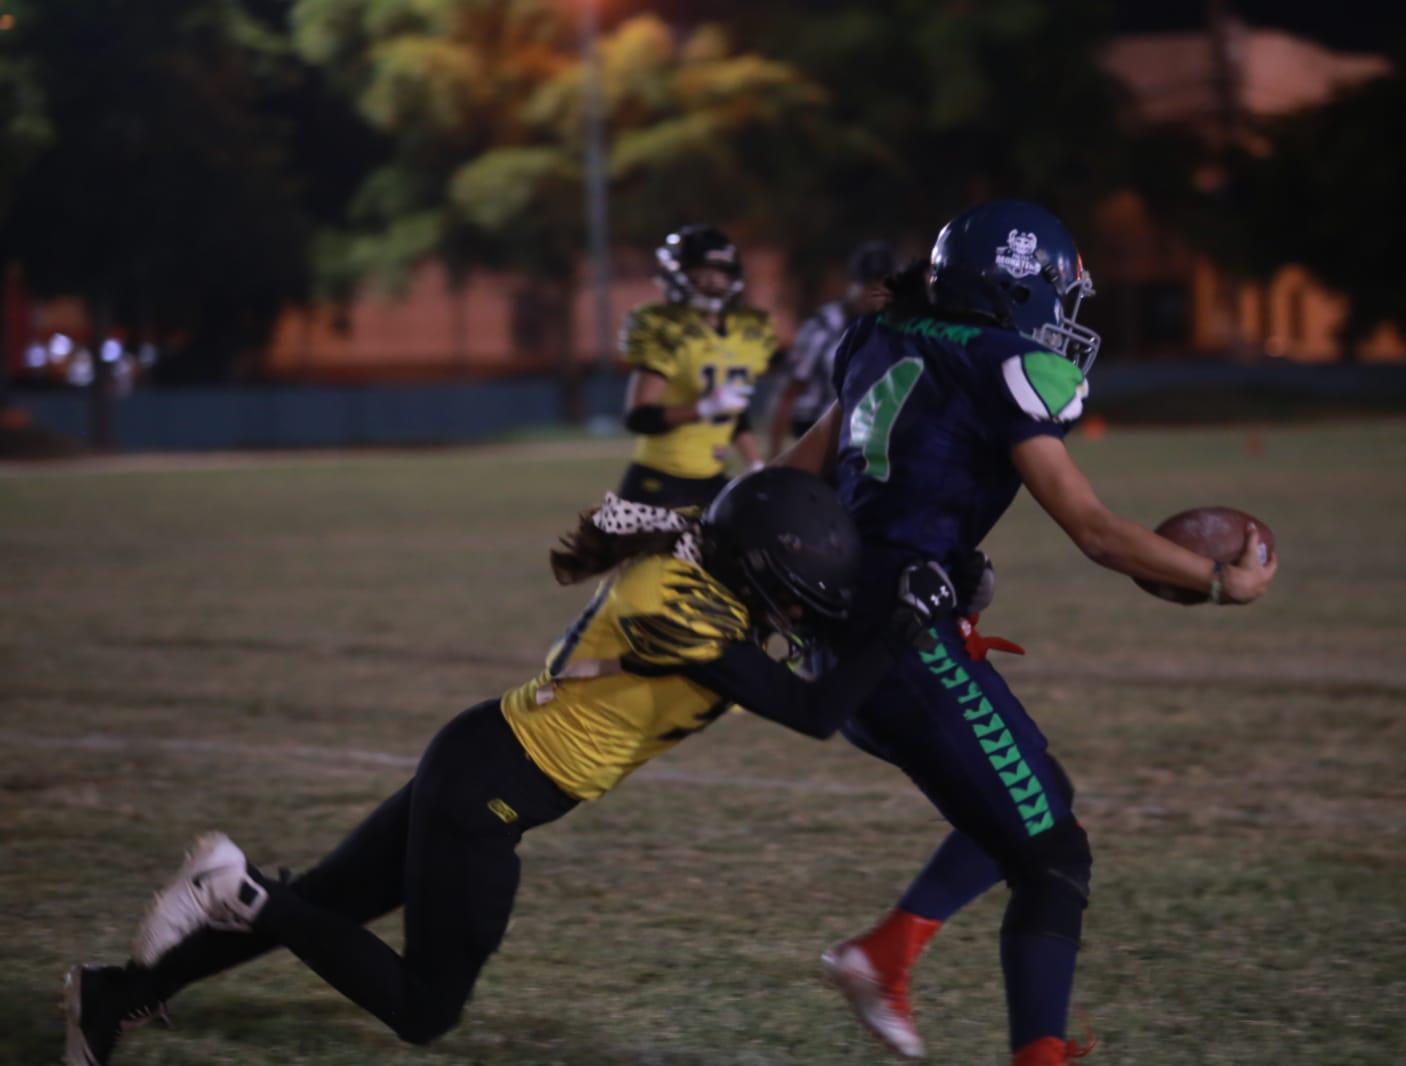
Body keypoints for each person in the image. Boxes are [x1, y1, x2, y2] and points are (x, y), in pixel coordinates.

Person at [61, 468, 968, 1066]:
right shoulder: (679, 602)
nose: (793, 612)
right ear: (752, 565)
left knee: (331, 905)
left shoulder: (700, 555)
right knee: (424, 1009)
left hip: (481, 756)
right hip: (490, 792)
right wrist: (902, 626)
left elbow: (801, 634)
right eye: (788, 591)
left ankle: (114, 997)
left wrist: (927, 586)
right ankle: (240, 885)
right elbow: (815, 711)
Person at [776, 200, 1279, 1065]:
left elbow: (790, 477)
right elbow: (1093, 529)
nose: (1064, 313)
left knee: (1020, 805)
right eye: (1058, 291)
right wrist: (1219, 581)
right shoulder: (1004, 363)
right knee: (1053, 853)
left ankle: (887, 954)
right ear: (1018, 285)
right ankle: (1019, 1044)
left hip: (841, 638)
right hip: (910, 645)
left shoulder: (878, 337)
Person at [617, 224, 779, 510]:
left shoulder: (747, 332)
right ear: (678, 273)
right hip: (658, 480)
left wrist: (755, 465)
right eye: (701, 271)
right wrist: (703, 407)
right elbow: (639, 417)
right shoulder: (668, 328)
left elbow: (734, 412)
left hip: (713, 479)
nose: (712, 280)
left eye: (720, 271)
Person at [765, 240, 896, 459]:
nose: (874, 293)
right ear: (853, 284)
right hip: (815, 431)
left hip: (867, 437)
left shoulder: (896, 330)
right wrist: (774, 455)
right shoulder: (822, 327)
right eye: (868, 284)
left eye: (882, 285)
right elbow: (789, 393)